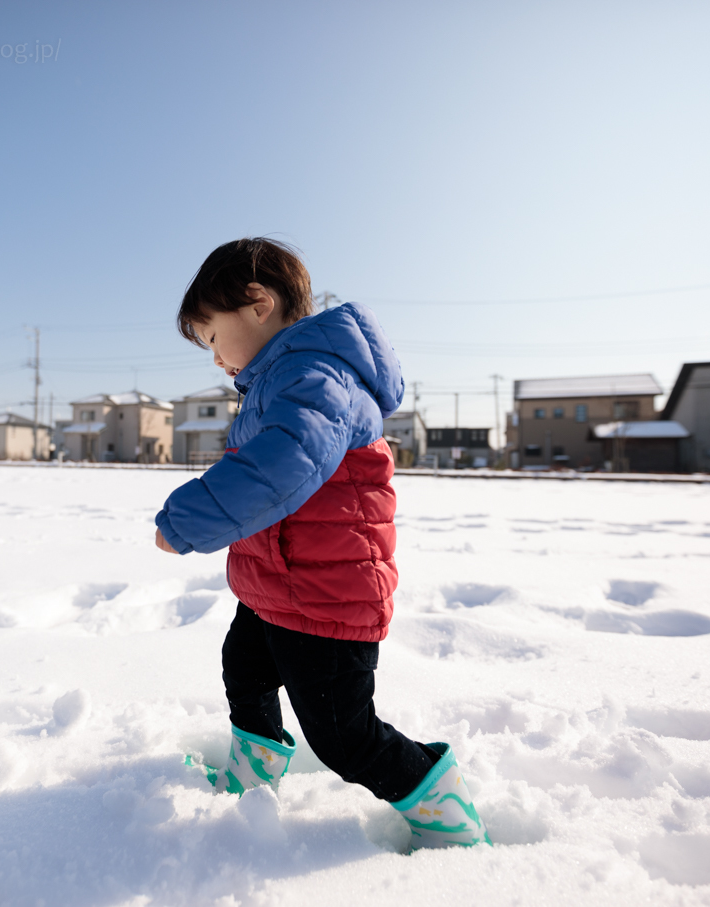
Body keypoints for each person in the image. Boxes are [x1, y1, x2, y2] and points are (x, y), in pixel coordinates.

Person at [154, 238, 491, 850]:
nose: (215, 358)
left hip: (327, 594)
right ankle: (253, 775)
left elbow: (282, 465)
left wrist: (187, 521)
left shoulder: (315, 375)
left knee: (343, 735)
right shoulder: (281, 378)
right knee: (245, 670)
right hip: (280, 583)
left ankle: (447, 815)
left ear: (257, 303)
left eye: (211, 338)